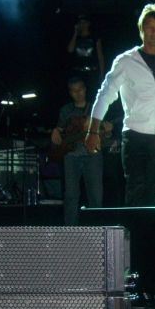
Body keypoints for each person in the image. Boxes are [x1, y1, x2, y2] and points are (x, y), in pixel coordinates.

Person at [85, 4, 155, 206]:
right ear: (141, 29)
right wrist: (93, 131)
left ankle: (147, 225)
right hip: (135, 135)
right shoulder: (125, 61)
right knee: (135, 188)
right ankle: (135, 226)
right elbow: (105, 94)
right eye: (149, 27)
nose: (154, 32)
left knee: (151, 189)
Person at [51, 77, 103, 225]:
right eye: (74, 91)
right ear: (70, 92)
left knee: (96, 195)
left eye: (80, 89)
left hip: (92, 155)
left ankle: (97, 229)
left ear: (85, 89)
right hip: (71, 157)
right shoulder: (66, 110)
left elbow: (105, 132)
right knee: (71, 196)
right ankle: (70, 230)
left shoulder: (95, 108)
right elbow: (59, 132)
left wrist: (106, 128)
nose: (78, 93)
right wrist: (55, 132)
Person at [67, 14, 105, 97]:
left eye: (84, 22)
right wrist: (75, 33)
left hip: (92, 72)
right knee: (79, 94)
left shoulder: (95, 37)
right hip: (78, 72)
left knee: (92, 95)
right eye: (80, 22)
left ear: (88, 23)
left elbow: (100, 56)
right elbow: (70, 50)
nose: (82, 24)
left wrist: (102, 74)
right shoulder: (76, 38)